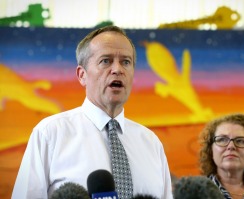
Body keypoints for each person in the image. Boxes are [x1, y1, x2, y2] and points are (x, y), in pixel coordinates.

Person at [12, 25, 173, 199]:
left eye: (126, 62)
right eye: (106, 60)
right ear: (82, 75)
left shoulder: (151, 144)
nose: (118, 69)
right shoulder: (50, 134)